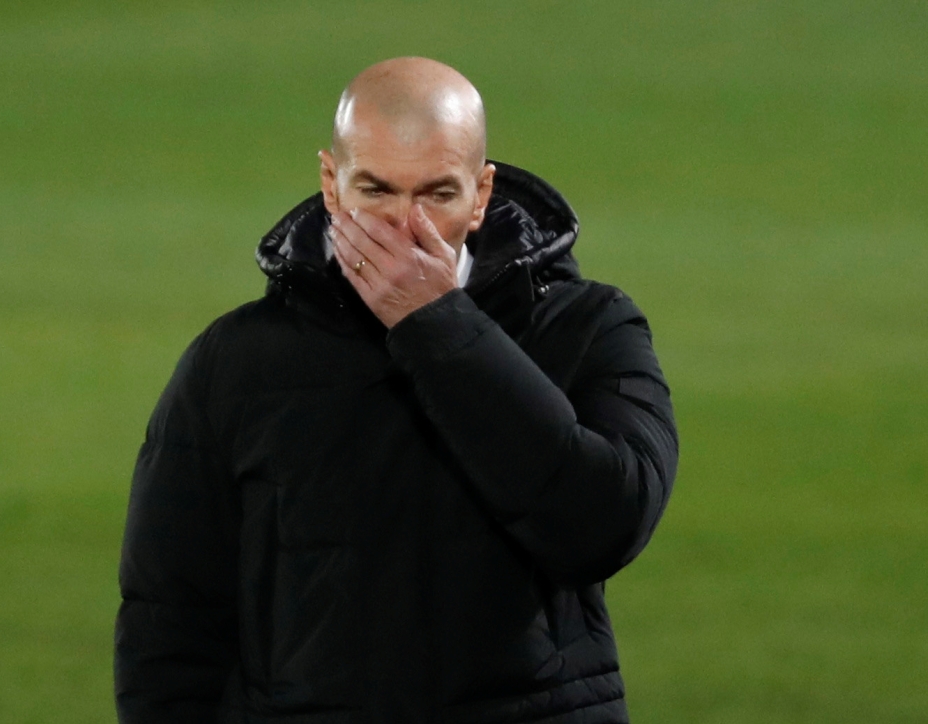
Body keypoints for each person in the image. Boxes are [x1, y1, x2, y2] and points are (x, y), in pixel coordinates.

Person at [114, 57, 678, 724]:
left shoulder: (589, 328)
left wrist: (440, 328)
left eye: (437, 195)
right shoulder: (235, 363)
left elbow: (604, 524)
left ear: (481, 194)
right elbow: (169, 622)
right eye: (376, 191)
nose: (404, 229)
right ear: (331, 184)